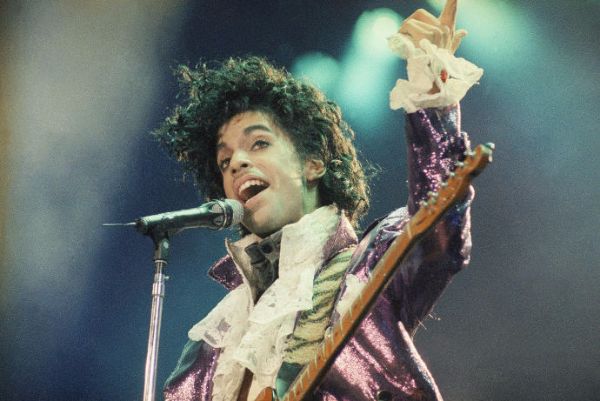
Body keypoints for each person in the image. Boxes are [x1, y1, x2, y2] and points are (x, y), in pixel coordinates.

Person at [154, 1, 483, 400]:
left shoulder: (364, 269)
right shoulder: (215, 340)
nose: (237, 162)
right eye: (224, 161)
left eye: (259, 143)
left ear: (313, 162)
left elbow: (437, 221)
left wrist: (433, 92)